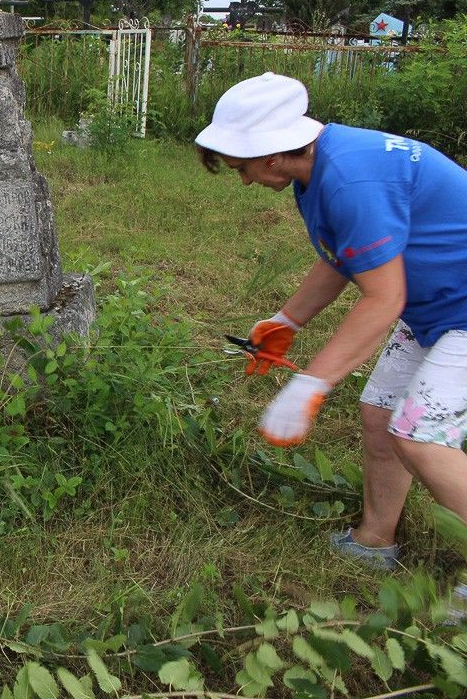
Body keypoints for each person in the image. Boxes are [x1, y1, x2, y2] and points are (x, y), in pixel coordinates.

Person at [195, 71, 467, 571]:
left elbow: (383, 299)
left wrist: (310, 385)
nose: (246, 180)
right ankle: (373, 540)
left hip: (461, 313)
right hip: (437, 309)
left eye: (243, 167)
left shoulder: (351, 178)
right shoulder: (319, 168)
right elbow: (344, 256)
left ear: (272, 154)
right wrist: (286, 320)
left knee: (421, 437)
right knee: (381, 417)